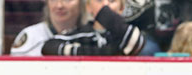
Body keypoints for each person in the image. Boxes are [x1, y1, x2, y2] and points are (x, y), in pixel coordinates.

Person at [11, 0, 145, 56]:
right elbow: (49, 47)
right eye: (99, 0)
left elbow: (134, 40)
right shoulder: (80, 34)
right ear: (87, 6)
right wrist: (108, 52)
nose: (60, 5)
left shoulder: (123, 34)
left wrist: (102, 11)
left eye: (111, 0)